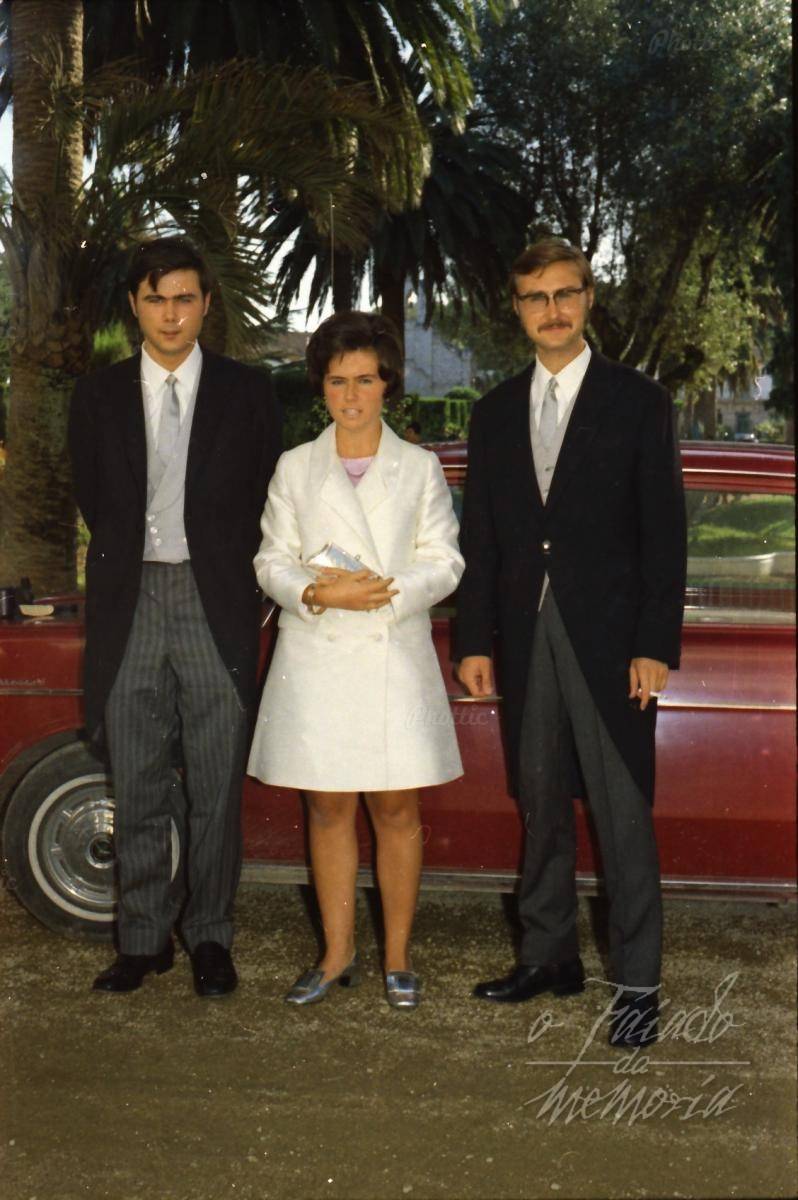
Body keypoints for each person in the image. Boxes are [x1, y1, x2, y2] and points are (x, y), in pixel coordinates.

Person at [455, 238, 686, 1047]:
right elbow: (482, 539)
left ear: (588, 298)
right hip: (526, 637)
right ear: (517, 310)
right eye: (535, 297)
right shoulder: (493, 413)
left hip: (613, 643)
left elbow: (665, 534)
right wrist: (474, 639)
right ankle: (548, 956)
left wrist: (654, 643)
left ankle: (637, 986)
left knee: (622, 815)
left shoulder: (639, 401)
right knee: (541, 800)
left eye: (564, 293)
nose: (551, 310)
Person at [68, 237, 281, 997]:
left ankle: (211, 936)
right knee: (137, 778)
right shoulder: (96, 396)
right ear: (135, 305)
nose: (170, 313)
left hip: (212, 600)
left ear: (205, 305)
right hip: (129, 602)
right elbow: (95, 499)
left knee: (216, 783)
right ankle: (141, 939)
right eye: (156, 299)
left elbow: (265, 494)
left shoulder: (248, 393)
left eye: (184, 298)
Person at [247, 311, 464, 1009]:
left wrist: (382, 594)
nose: (351, 395)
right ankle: (336, 952)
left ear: (387, 384)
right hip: (318, 657)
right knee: (328, 806)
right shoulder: (294, 467)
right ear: (322, 386)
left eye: (365, 380)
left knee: (397, 807)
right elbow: (271, 560)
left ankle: (398, 956)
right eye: (338, 381)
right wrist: (317, 592)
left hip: (392, 652)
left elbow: (445, 560)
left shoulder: (420, 468)